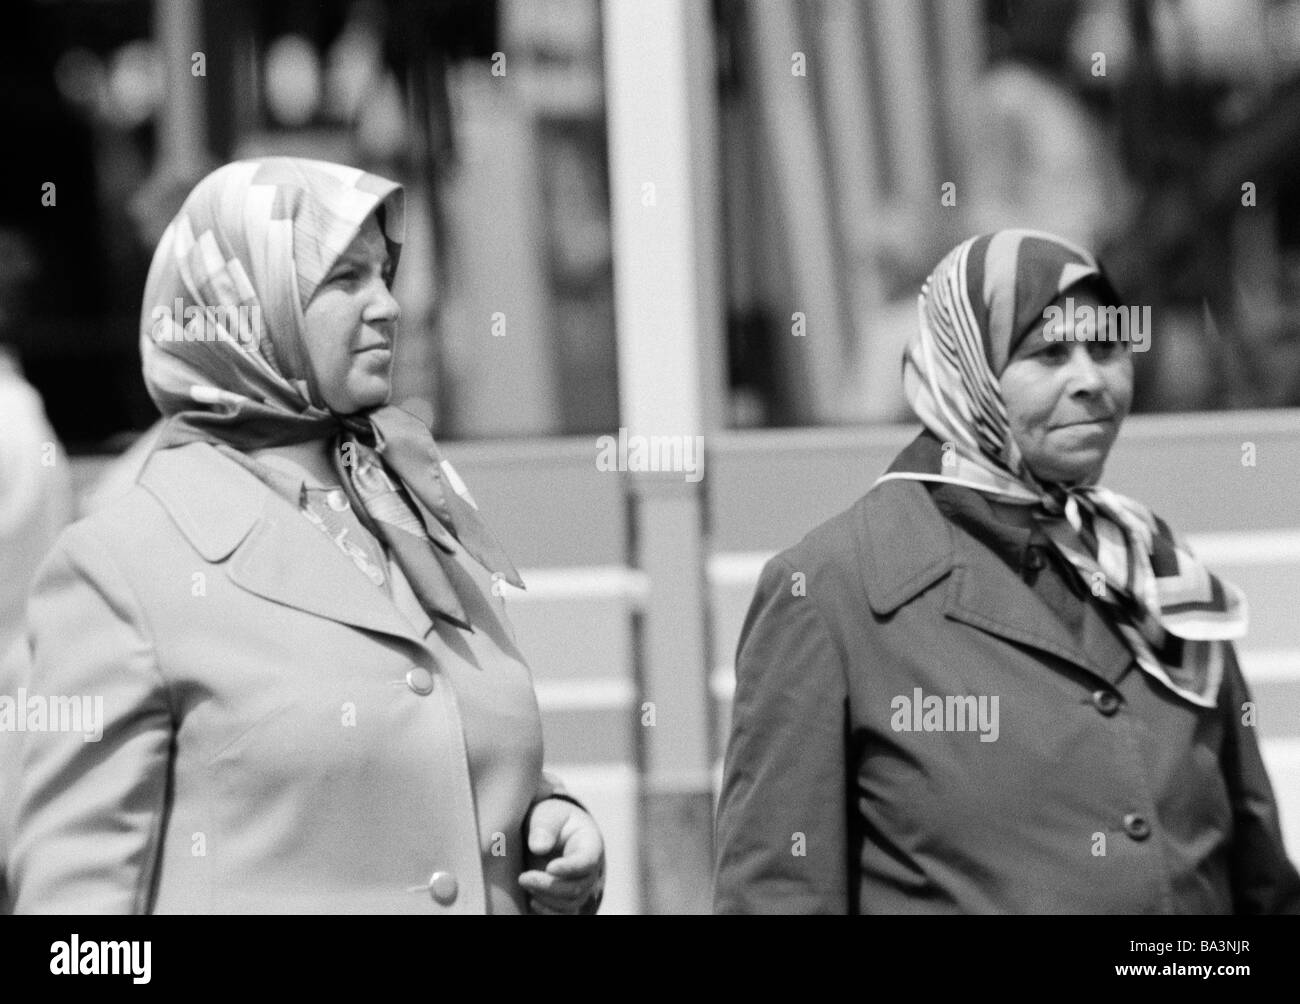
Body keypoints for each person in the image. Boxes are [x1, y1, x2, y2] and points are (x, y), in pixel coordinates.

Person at [9, 157, 604, 914]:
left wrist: (548, 823)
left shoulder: (410, 502)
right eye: (345, 280)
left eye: (384, 274)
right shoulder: (122, 561)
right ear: (242, 307)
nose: (388, 306)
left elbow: (427, 742)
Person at [713, 228, 1300, 914]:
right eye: (1049, 353)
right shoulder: (831, 592)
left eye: (1107, 348)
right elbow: (778, 895)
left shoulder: (1153, 569)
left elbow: (1261, 884)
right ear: (968, 372)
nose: (1091, 380)